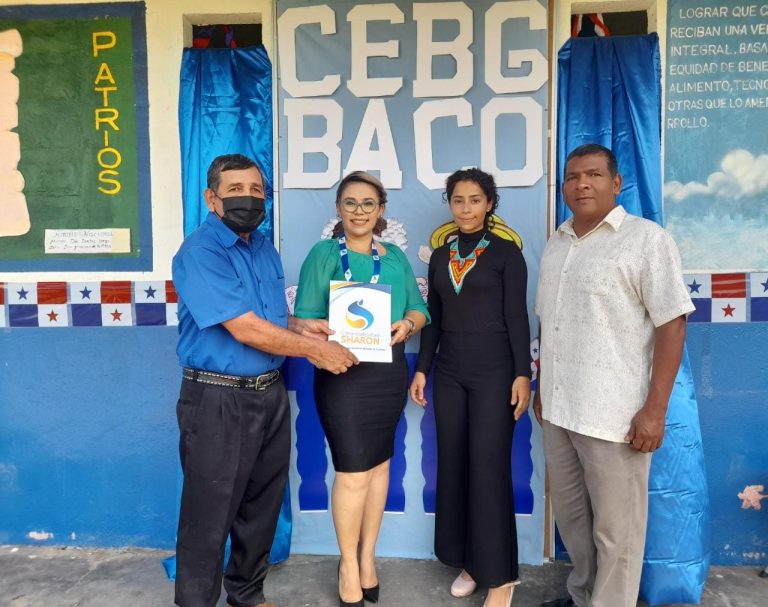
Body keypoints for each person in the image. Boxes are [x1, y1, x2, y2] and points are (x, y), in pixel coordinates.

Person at [172, 154, 358, 607]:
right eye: (236, 190)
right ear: (211, 198)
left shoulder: (262, 248)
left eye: (257, 190)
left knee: (261, 507)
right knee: (209, 514)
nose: (248, 198)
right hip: (217, 399)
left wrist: (300, 327)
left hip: (268, 397)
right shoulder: (201, 252)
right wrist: (318, 351)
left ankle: (247, 596)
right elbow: (244, 328)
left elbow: (266, 318)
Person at [533, 144, 695, 607]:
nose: (582, 184)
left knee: (617, 534)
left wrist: (655, 410)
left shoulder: (646, 240)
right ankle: (583, 596)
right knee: (574, 523)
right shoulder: (557, 242)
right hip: (561, 411)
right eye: (572, 177)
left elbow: (672, 322)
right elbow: (551, 321)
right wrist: (545, 386)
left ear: (616, 183)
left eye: (593, 175)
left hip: (616, 416)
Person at [294, 171, 429, 606]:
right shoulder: (322, 254)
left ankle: (367, 557)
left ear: (381, 211)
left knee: (379, 469)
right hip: (340, 374)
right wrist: (319, 334)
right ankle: (347, 565)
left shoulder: (393, 258)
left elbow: (418, 307)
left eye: (368, 204)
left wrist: (408, 324)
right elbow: (303, 319)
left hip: (386, 373)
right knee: (352, 473)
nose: (359, 211)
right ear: (338, 208)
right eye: (350, 203)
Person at [409, 168, 531, 607]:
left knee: (488, 467)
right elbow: (435, 319)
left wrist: (523, 374)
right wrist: (423, 368)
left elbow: (517, 317)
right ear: (450, 203)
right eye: (458, 200)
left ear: (490, 203)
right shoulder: (439, 256)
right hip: (451, 372)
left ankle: (501, 576)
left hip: (495, 371)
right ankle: (471, 562)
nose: (465, 208)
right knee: (456, 465)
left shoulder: (505, 254)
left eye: (475, 200)